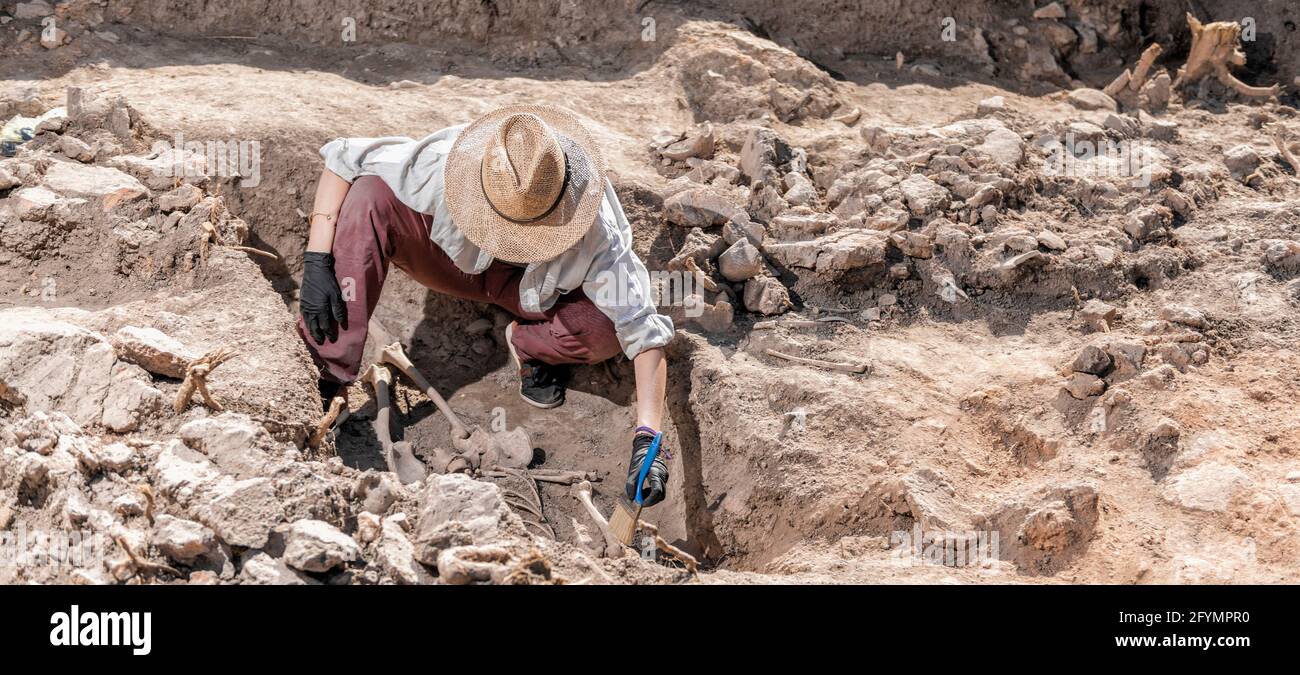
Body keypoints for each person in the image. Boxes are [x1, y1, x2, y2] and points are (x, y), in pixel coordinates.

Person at [297, 104, 673, 506]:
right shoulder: (445, 162)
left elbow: (643, 329)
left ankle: (529, 345)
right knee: (370, 196)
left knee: (603, 330)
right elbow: (342, 158)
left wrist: (648, 441)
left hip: (533, 291)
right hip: (448, 264)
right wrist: (318, 259)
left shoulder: (595, 228)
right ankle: (327, 380)